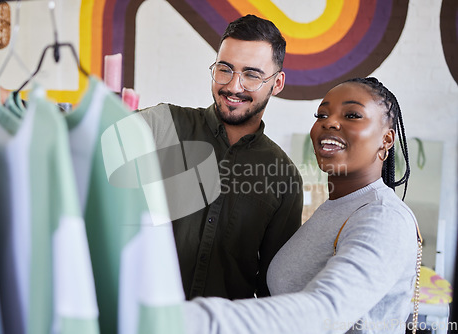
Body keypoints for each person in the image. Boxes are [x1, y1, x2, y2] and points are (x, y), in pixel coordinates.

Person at [183, 77, 421, 334]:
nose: (328, 122)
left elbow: (325, 312)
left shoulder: (384, 217)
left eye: (352, 115)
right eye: (321, 114)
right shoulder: (335, 209)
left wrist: (182, 319)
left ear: (386, 140)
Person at [138, 14, 303, 300]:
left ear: (277, 84)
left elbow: (274, 292)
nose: (233, 86)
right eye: (225, 69)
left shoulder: (284, 177)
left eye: (252, 75)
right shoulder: (162, 125)